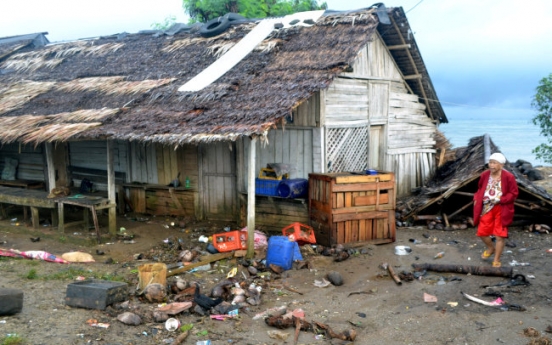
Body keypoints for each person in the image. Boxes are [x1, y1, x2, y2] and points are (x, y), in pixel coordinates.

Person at [473, 152, 518, 267]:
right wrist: (476, 198)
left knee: (500, 235)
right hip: (487, 207)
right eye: (490, 162)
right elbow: (479, 188)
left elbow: (514, 193)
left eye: (494, 163)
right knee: (482, 232)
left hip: (502, 208)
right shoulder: (485, 175)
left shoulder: (509, 177)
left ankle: (496, 259)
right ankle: (490, 248)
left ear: (501, 165)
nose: (491, 165)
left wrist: (501, 199)